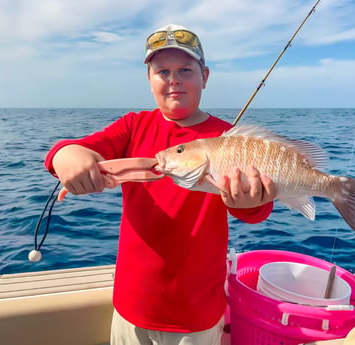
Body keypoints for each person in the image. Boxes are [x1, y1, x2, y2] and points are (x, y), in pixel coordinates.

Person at [45, 24, 277, 345]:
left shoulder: (230, 138)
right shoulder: (133, 126)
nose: (174, 79)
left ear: (205, 77)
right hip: (133, 303)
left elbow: (257, 210)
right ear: (149, 79)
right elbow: (72, 150)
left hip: (198, 311)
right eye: (162, 71)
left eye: (185, 69)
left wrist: (247, 202)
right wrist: (68, 157)